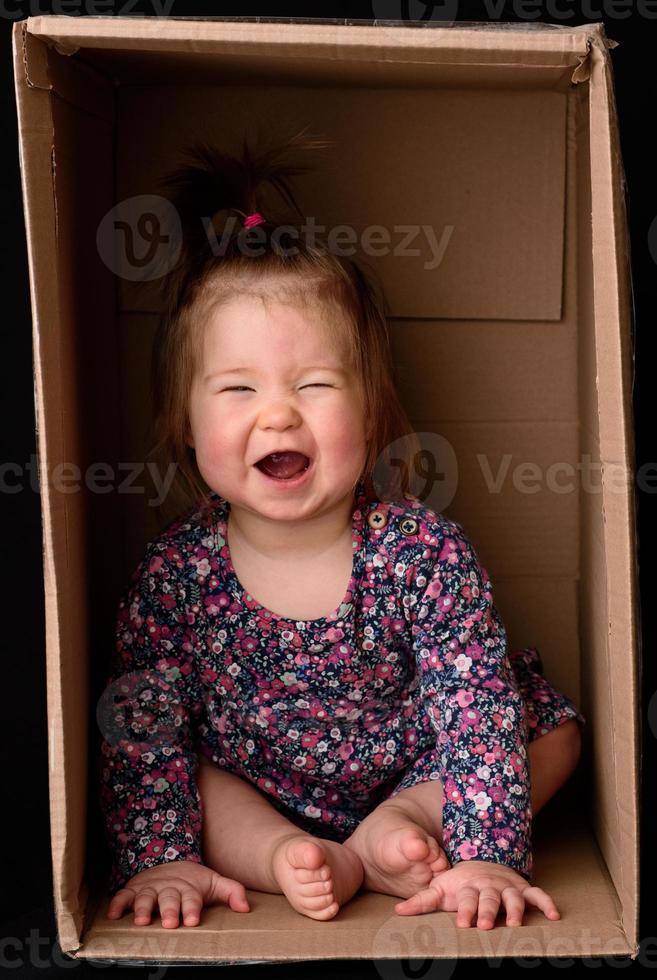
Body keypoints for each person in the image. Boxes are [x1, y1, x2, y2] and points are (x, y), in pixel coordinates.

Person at [98, 130, 586, 933]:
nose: (278, 412)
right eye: (237, 388)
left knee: (553, 731)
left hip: (412, 770)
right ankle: (291, 856)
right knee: (196, 776)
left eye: (315, 384)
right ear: (183, 424)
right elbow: (145, 726)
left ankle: (400, 833)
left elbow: (473, 706)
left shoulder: (419, 551)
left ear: (370, 409)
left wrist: (487, 848)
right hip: (258, 790)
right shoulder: (175, 573)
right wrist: (160, 854)